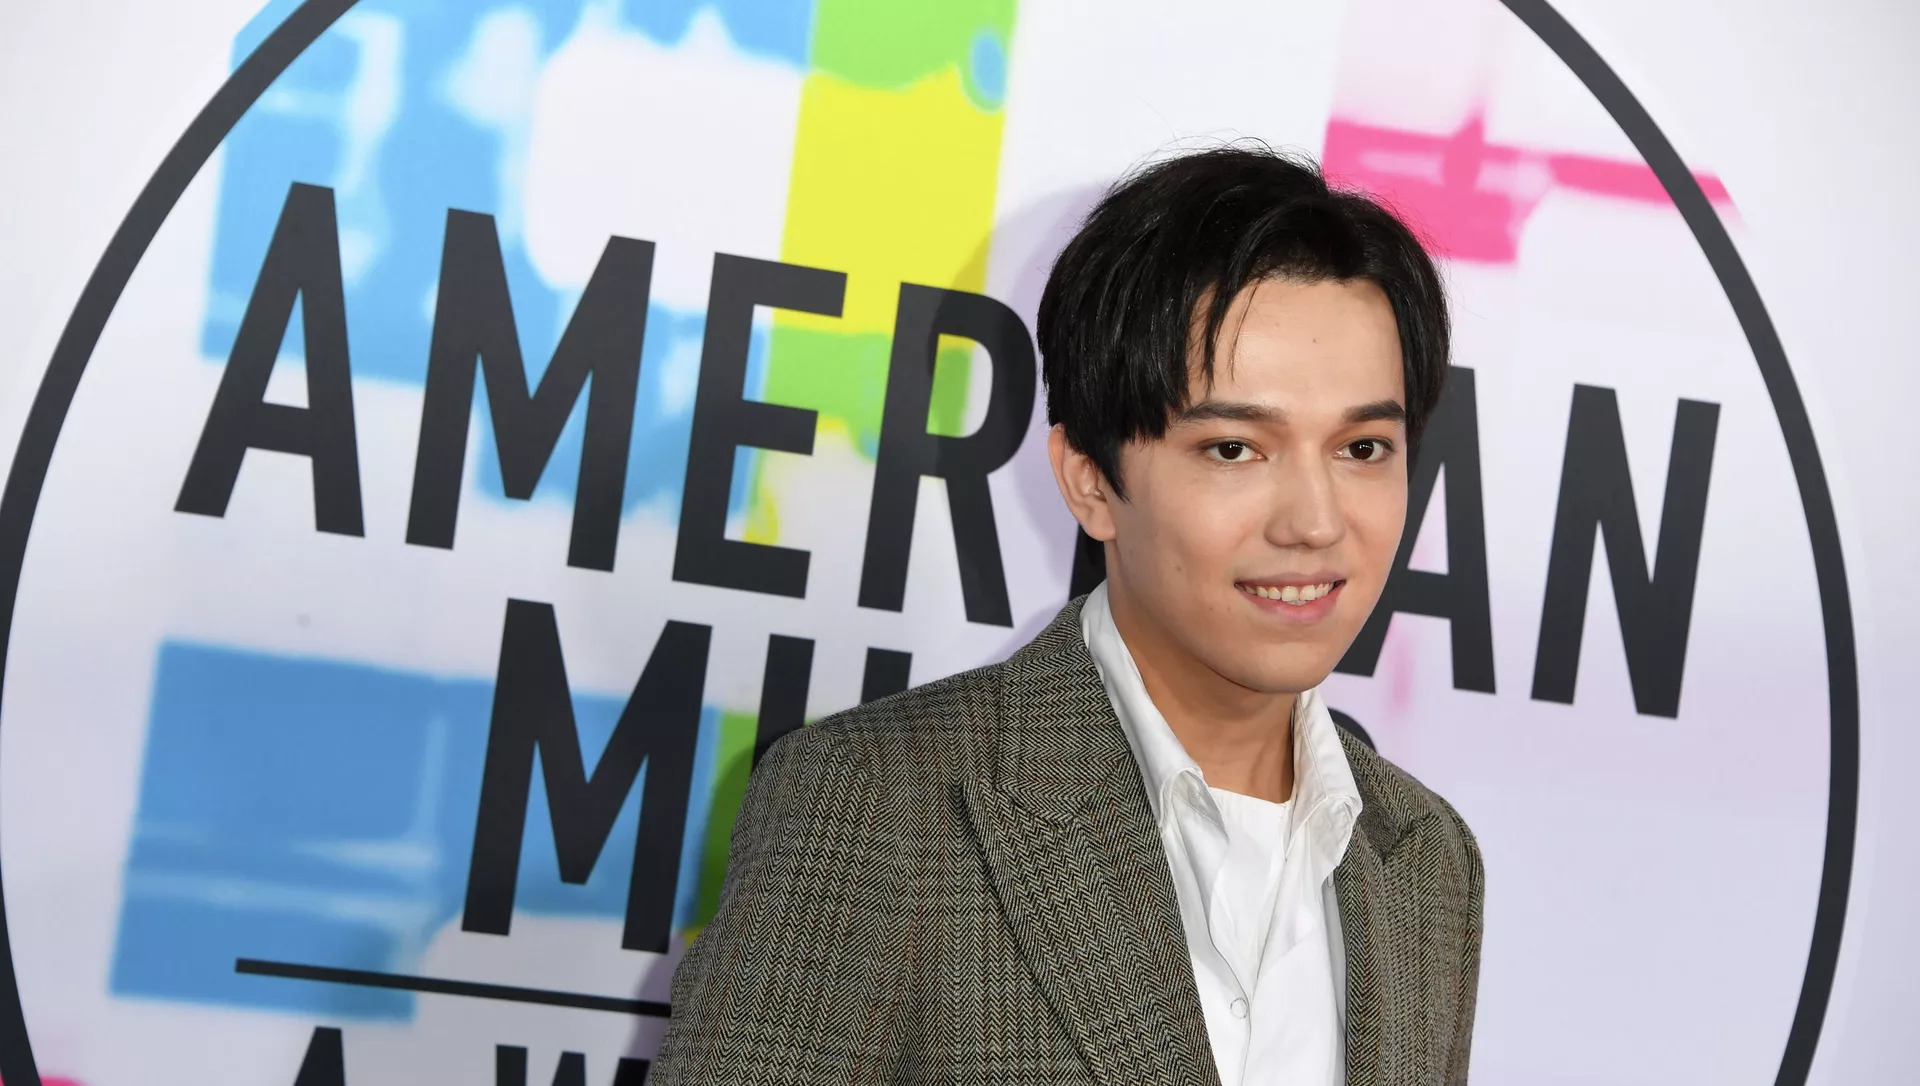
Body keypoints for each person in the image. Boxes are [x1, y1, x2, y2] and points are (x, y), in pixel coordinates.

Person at [652, 144, 1482, 1086]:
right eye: (1234, 450)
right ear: (1089, 480)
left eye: (1363, 448)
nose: (1315, 522)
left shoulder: (1425, 861)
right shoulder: (881, 806)